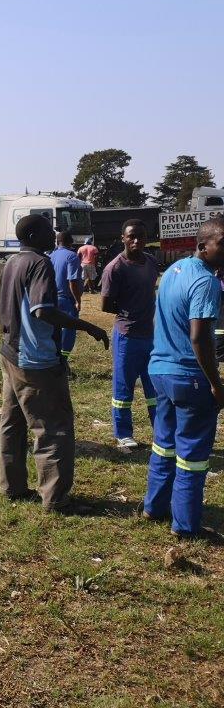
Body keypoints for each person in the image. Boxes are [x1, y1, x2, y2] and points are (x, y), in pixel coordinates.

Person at [0, 215, 108, 512]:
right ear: (34, 235)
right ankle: (56, 499)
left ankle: (12, 487)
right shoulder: (39, 263)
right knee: (53, 428)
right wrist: (86, 326)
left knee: (12, 423)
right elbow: (42, 311)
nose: (54, 234)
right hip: (35, 360)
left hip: (10, 352)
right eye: (49, 230)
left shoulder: (12, 262)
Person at [143, 217, 224, 539]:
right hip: (190, 378)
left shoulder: (173, 271)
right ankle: (186, 525)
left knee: (164, 444)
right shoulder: (205, 282)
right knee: (192, 455)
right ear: (203, 245)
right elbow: (200, 337)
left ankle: (154, 506)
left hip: (161, 372)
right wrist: (216, 384)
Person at [99, 220, 159, 449]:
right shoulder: (115, 268)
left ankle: (161, 431)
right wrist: (129, 310)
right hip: (127, 336)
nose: (136, 241)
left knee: (155, 387)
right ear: (123, 238)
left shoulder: (151, 262)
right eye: (131, 236)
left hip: (151, 336)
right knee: (123, 387)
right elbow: (105, 305)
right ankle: (123, 434)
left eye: (140, 236)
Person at [49, 231, 83, 366]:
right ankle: (63, 362)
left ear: (57, 242)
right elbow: (72, 281)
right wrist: (78, 300)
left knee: (54, 330)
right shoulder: (72, 256)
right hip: (67, 300)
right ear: (71, 242)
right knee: (69, 331)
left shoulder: (50, 256)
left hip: (52, 299)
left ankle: (54, 359)